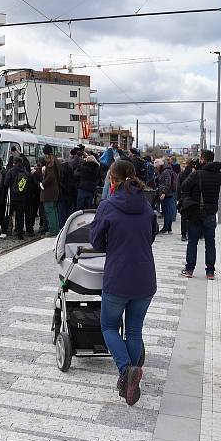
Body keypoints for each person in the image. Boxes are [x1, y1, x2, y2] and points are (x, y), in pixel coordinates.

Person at [90, 159, 157, 406]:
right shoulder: (147, 206)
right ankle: (130, 378)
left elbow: (97, 242)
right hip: (145, 279)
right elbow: (151, 237)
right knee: (134, 329)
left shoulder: (107, 206)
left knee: (108, 326)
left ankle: (126, 370)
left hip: (118, 278)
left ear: (113, 180)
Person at [179, 150, 221, 280]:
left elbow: (184, 186)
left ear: (203, 159)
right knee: (210, 243)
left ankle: (189, 270)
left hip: (196, 213)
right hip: (210, 213)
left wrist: (196, 171)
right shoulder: (220, 175)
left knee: (192, 242)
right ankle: (210, 272)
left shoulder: (197, 174)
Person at [4, 156, 30, 239]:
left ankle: (5, 231)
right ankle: (20, 233)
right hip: (22, 197)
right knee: (20, 215)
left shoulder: (11, 171)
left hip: (12, 197)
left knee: (8, 214)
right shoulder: (25, 172)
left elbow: (6, 183)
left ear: (14, 162)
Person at [41, 144, 62, 236]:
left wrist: (43, 183)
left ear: (47, 154)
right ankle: (56, 229)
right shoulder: (56, 161)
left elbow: (51, 176)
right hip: (55, 190)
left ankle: (53, 230)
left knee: (50, 211)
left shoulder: (50, 163)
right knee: (54, 211)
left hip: (49, 191)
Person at [176, 159, 196, 241]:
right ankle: (192, 232)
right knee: (193, 217)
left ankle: (183, 234)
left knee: (184, 217)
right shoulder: (195, 174)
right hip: (193, 198)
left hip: (184, 197)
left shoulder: (181, 174)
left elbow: (178, 187)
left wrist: (179, 198)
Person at [156, 158, 177, 234]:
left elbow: (167, 183)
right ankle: (168, 228)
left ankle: (166, 228)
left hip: (167, 194)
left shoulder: (165, 172)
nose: (156, 168)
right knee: (168, 211)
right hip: (167, 194)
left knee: (167, 212)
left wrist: (164, 193)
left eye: (157, 166)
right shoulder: (165, 170)